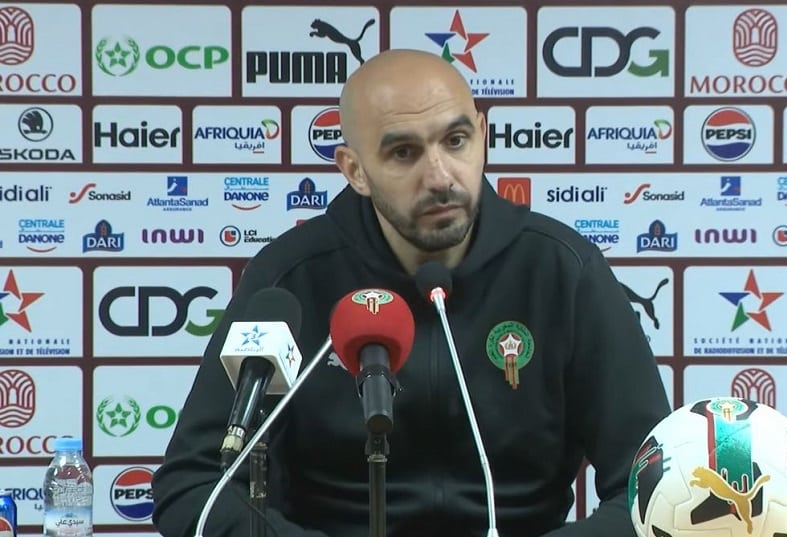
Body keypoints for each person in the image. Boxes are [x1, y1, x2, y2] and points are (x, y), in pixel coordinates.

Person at [152, 49, 671, 537]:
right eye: (404, 153)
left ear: (483, 136)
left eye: (456, 141)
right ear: (355, 170)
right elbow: (195, 486)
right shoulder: (292, 277)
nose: (440, 177)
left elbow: (657, 488)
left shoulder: (562, 270)